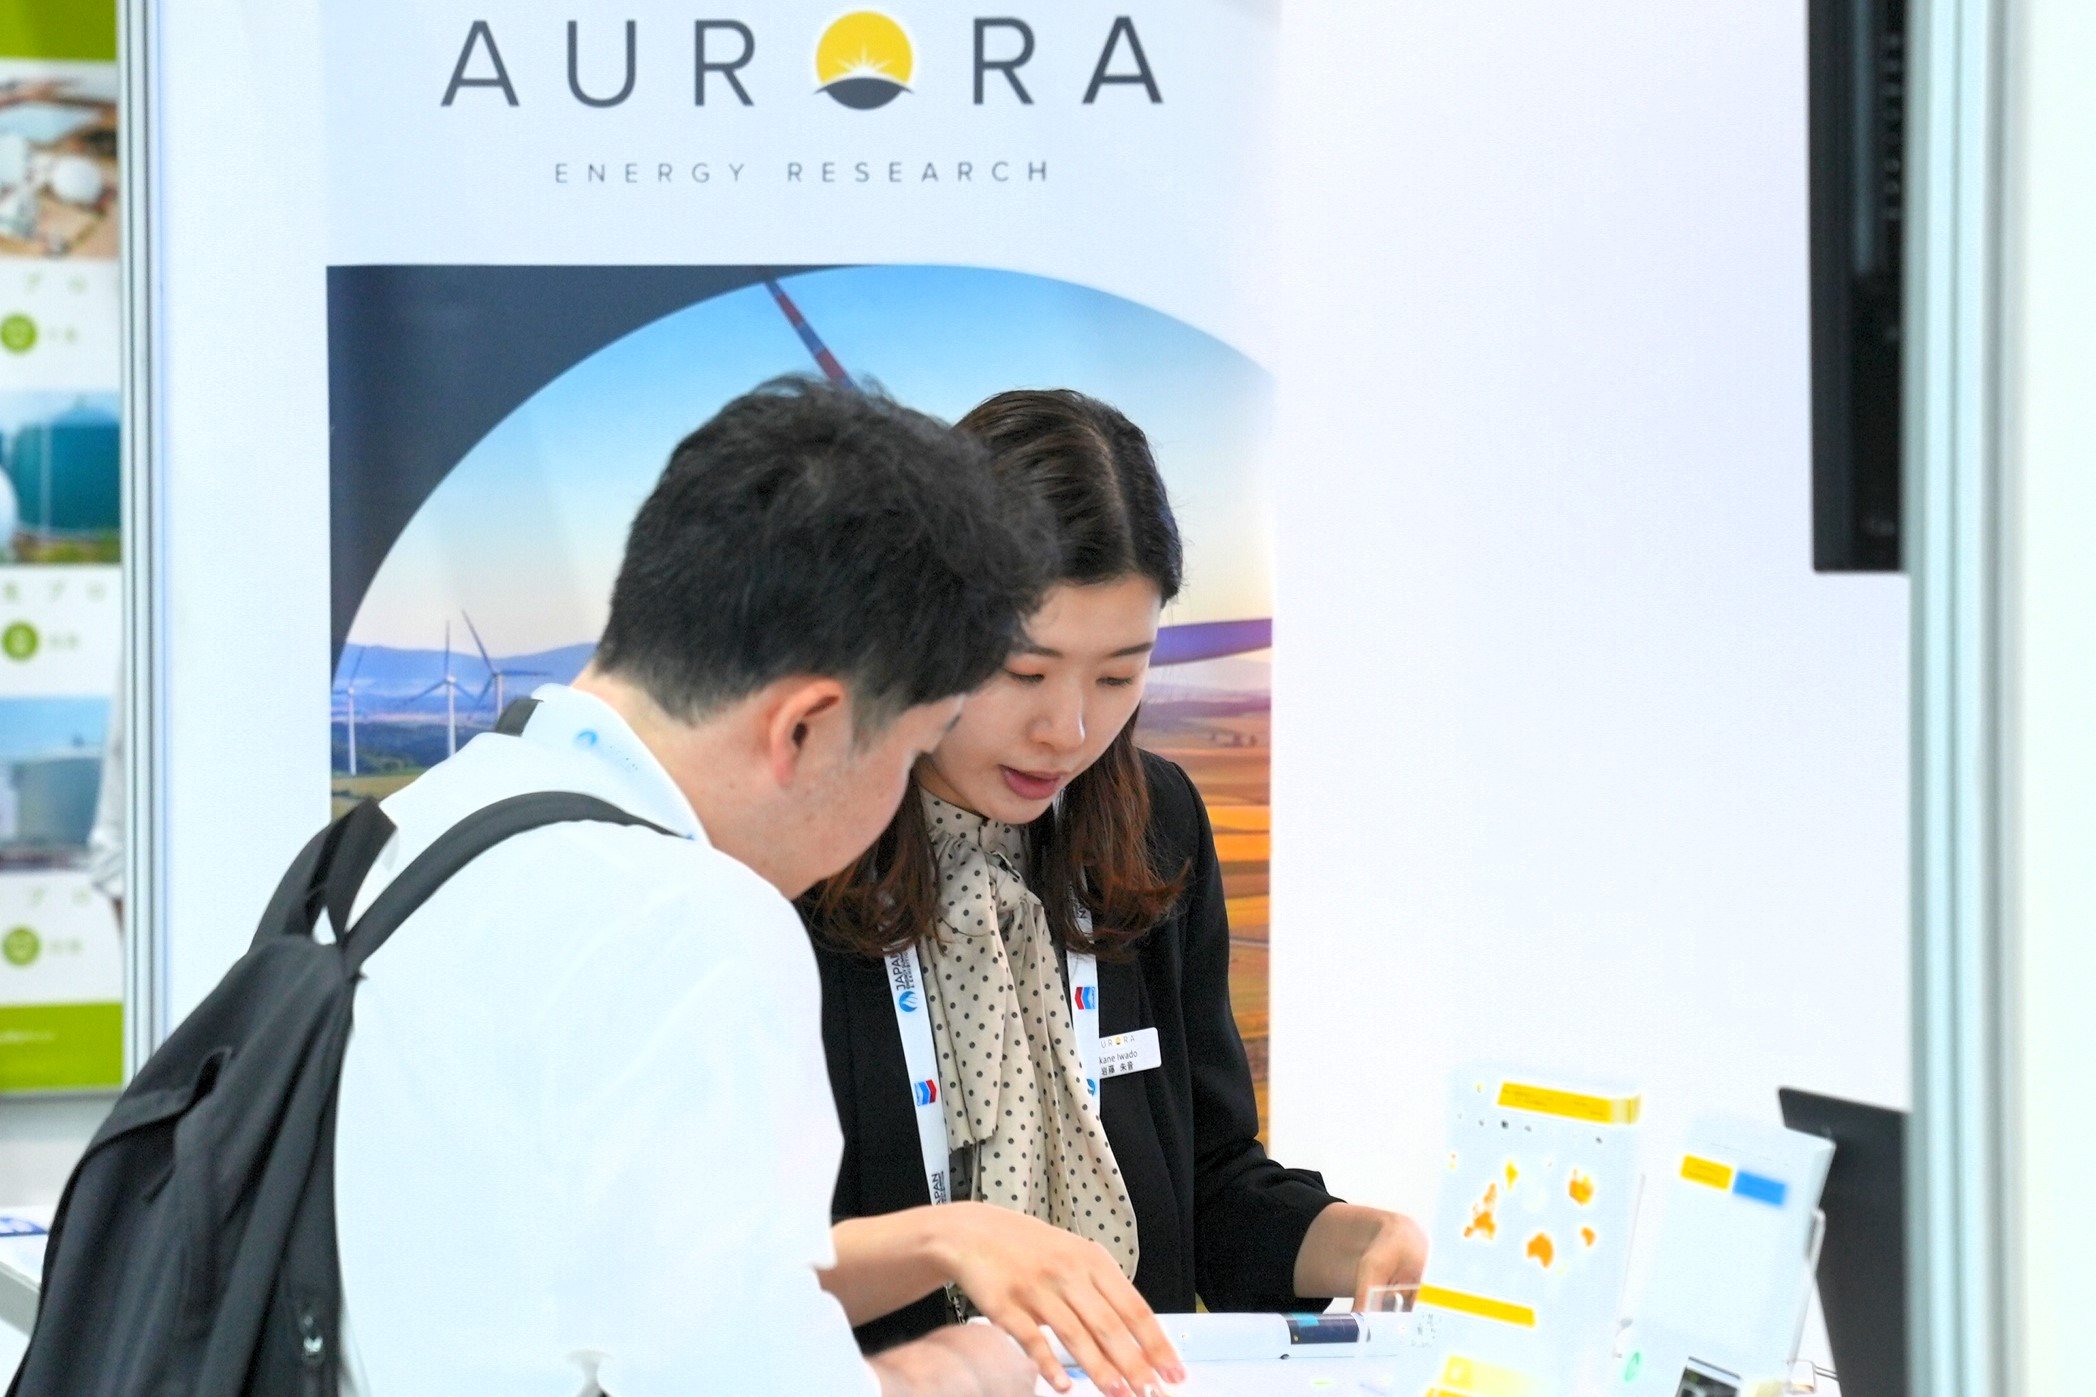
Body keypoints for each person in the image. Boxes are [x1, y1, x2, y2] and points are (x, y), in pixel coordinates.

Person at [329, 380, 1048, 1396]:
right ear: (805, 727)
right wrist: (962, 1369)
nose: (898, 799)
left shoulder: (406, 830)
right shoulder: (690, 924)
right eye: (912, 750)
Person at [804, 389, 1430, 1397]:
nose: (1067, 730)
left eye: (1116, 677)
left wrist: (1345, 1236)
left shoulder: (1152, 824)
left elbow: (1204, 1178)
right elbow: (714, 1274)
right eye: (1024, 671)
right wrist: (945, 1239)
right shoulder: (798, 851)